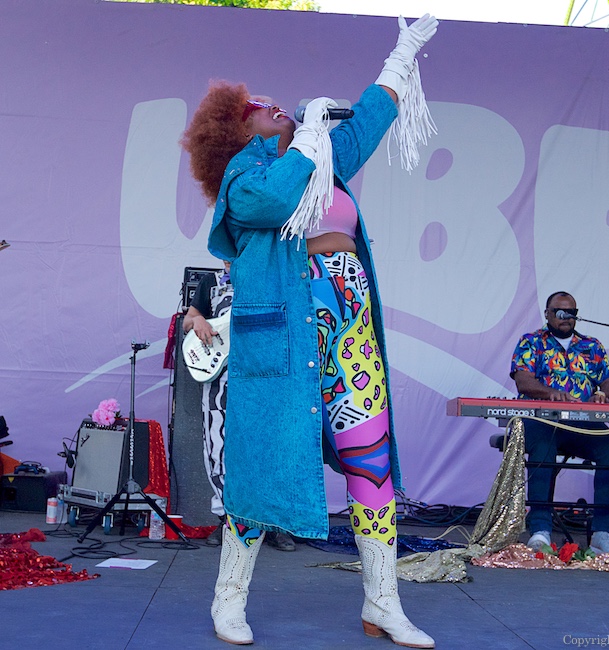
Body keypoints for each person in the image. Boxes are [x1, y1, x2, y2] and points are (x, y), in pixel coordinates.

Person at [179, 14, 438, 648]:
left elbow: (373, 121)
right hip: (284, 342)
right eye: (262, 109)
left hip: (349, 330)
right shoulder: (247, 176)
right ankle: (229, 600)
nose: (277, 108)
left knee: (368, 461)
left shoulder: (321, 158)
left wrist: (403, 52)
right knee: (262, 462)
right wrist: (306, 139)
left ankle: (384, 603)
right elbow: (270, 203)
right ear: (240, 132)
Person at [183, 261, 296, 552]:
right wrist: (196, 321)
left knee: (268, 449)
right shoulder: (211, 282)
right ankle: (228, 519)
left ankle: (272, 523)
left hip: (261, 378)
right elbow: (189, 318)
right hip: (220, 379)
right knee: (218, 447)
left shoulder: (271, 277)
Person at [510, 291, 609, 556]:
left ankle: (603, 532)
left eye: (571, 313)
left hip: (582, 423)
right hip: (542, 421)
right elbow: (523, 381)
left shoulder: (592, 345)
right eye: (560, 312)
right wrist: (549, 393)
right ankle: (540, 530)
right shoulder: (532, 342)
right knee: (543, 448)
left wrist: (603, 393)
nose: (566, 317)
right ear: (548, 314)